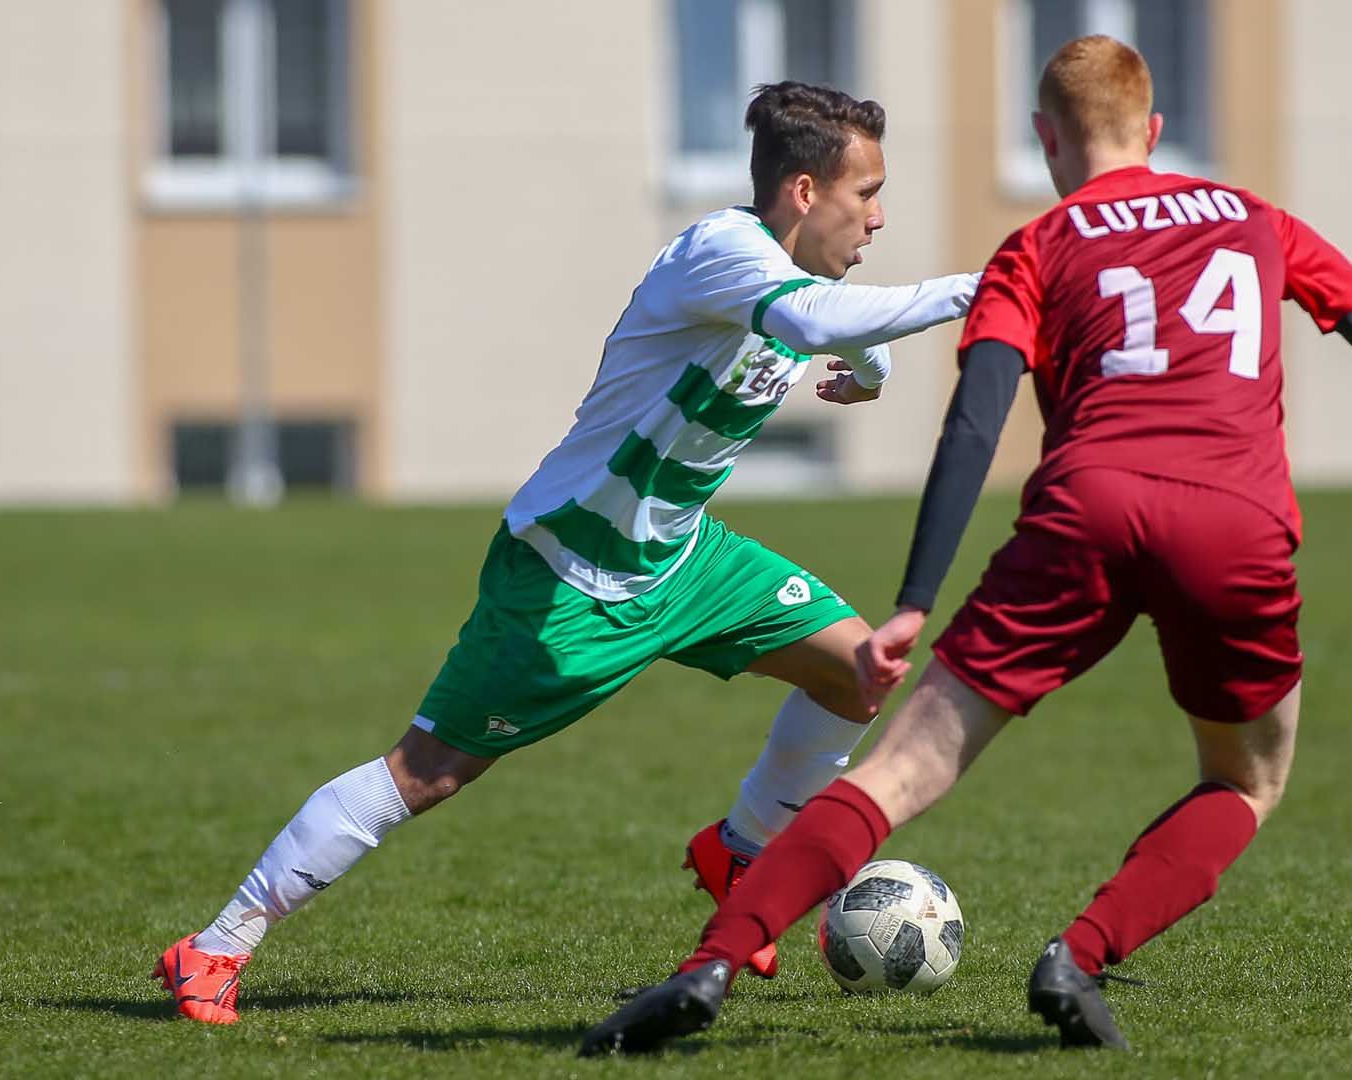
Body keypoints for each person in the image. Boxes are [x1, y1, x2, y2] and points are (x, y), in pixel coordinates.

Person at [579, 36, 1352, 1056]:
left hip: (1086, 514)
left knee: (903, 770)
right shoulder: (1257, 219)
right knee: (1246, 780)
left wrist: (916, 597)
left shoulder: (1037, 244)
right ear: (1154, 131)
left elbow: (976, 418)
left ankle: (712, 963)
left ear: (1047, 139)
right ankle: (1082, 954)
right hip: (1237, 524)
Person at [153, 81, 982, 1025]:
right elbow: (814, 325)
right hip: (567, 581)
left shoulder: (802, 280)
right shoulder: (724, 256)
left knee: (856, 673)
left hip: (685, 559)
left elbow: (836, 328)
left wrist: (866, 378)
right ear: (802, 191)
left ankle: (742, 850)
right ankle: (216, 944)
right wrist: (979, 290)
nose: (879, 215)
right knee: (423, 774)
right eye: (866, 193)